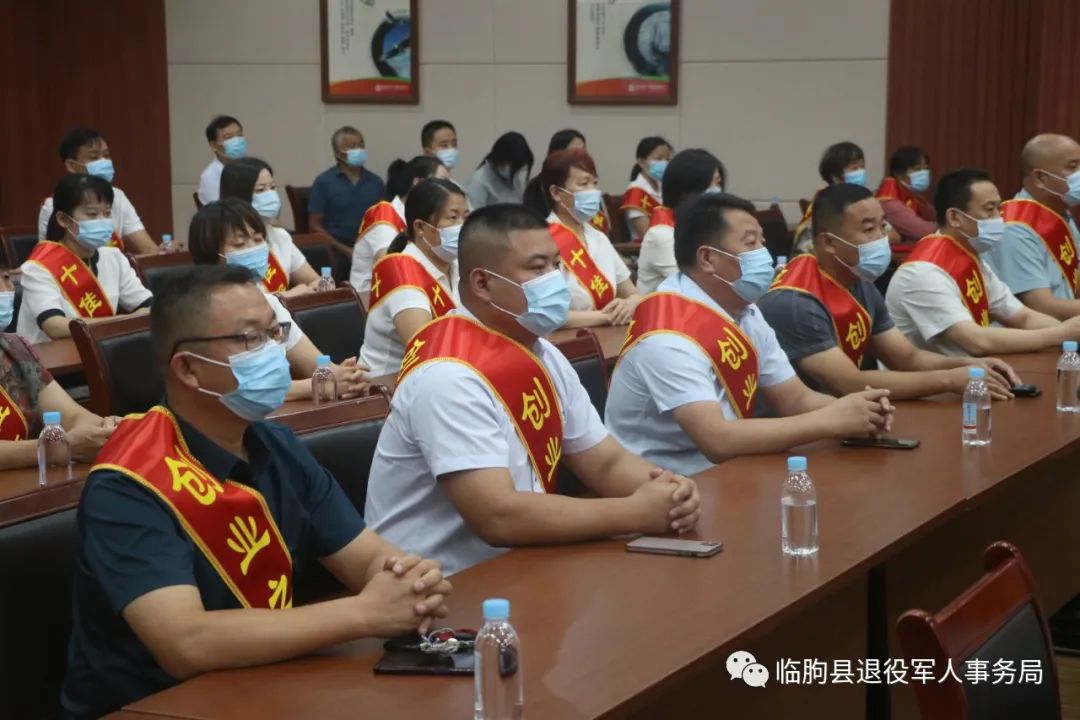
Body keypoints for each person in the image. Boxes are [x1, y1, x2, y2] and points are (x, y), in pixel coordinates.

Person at [60, 265, 452, 719]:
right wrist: (365, 613)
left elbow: (365, 558)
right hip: (154, 707)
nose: (273, 353)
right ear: (187, 368)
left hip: (267, 686)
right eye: (250, 339)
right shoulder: (128, 483)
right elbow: (185, 642)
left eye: (274, 333)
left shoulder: (274, 444)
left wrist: (412, 584)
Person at [364, 204, 701, 575]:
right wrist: (635, 512)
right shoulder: (446, 375)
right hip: (439, 583)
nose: (555, 280)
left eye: (556, 265)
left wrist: (671, 492)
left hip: (523, 561)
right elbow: (498, 516)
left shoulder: (542, 352)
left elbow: (605, 461)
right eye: (537, 268)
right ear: (482, 283)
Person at [604, 192, 894, 476]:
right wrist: (830, 421)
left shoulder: (743, 308)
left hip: (734, 468)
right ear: (707, 258)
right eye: (750, 243)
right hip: (668, 483)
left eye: (762, 242)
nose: (764, 254)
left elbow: (794, 399)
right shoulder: (666, 335)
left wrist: (858, 412)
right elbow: (717, 440)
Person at [758, 183, 1018, 401]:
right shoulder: (795, 301)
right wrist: (950, 380)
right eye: (868, 229)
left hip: (848, 416)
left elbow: (907, 358)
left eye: (883, 225)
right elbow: (849, 384)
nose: (882, 237)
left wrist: (969, 367)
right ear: (828, 242)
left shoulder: (858, 281)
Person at [187, 199, 369, 400]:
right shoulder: (203, 314)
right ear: (210, 254)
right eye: (239, 244)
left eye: (258, 240)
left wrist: (348, 378)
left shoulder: (270, 305)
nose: (253, 248)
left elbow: (320, 367)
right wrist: (318, 385)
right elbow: (241, 390)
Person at [886, 169, 1080, 356]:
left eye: (998, 208)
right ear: (954, 217)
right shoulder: (924, 272)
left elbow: (1023, 317)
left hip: (976, 370)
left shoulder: (970, 257)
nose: (999, 218)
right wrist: (1061, 334)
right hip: (936, 377)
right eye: (989, 210)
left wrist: (1071, 335)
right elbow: (976, 341)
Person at [0, 267, 116, 469]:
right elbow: (61, 446)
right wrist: (55, 449)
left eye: (7, 277)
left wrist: (105, 429)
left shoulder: (14, 349)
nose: (7, 287)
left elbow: (72, 416)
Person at [18, 175, 153, 344]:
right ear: (63, 220)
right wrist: (121, 322)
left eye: (107, 213)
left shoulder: (114, 257)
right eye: (92, 214)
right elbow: (54, 326)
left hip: (99, 352)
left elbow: (149, 306)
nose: (102, 221)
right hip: (47, 358)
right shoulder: (39, 267)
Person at [359, 179, 467, 376]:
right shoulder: (400, 272)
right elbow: (427, 350)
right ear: (420, 227)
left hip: (444, 374)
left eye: (465, 217)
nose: (462, 226)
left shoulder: (458, 264)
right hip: (387, 385)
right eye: (452, 218)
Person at [523, 149, 639, 328]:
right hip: (565, 340)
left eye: (595, 183)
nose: (593, 191)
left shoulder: (598, 238)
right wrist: (606, 317)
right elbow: (546, 313)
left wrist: (630, 304)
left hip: (611, 335)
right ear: (556, 193)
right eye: (584, 184)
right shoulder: (542, 240)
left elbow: (633, 293)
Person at [987, 133, 1080, 320]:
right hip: (1035, 333)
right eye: (1073, 166)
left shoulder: (1060, 213)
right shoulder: (1014, 229)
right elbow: (1041, 307)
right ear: (1040, 178)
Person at [38, 128, 157, 254]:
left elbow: (148, 249)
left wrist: (164, 252)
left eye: (106, 156)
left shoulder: (118, 196)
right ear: (72, 165)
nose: (103, 162)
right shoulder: (54, 204)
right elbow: (50, 256)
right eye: (94, 157)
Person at [350, 155, 450, 304]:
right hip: (369, 304)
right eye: (442, 182)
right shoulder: (384, 214)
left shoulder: (423, 218)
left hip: (408, 294)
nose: (448, 190)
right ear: (418, 183)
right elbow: (391, 268)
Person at [219, 157, 319, 296]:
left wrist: (321, 285)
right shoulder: (227, 243)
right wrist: (288, 296)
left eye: (272, 187)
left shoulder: (279, 236)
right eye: (261, 190)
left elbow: (313, 279)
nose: (270, 195)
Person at [636, 149, 725, 294]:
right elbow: (697, 287)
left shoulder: (704, 227)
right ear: (688, 190)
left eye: (719, 183)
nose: (717, 190)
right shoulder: (662, 235)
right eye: (713, 184)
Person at [308, 126, 385, 251]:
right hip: (335, 250)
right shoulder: (324, 182)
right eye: (352, 147)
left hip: (371, 249)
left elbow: (384, 220)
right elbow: (314, 225)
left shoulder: (376, 182)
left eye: (361, 145)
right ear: (338, 153)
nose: (359, 150)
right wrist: (345, 250)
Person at [793, 141, 867, 253]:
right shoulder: (824, 205)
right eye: (855, 168)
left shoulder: (863, 200)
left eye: (863, 167)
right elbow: (806, 247)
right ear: (835, 177)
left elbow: (891, 234)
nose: (861, 172)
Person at [876, 145, 936, 244]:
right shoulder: (888, 199)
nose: (924, 173)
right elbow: (921, 230)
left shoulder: (911, 193)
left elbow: (934, 215)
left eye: (925, 168)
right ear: (898, 173)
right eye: (917, 169)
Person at [621, 136, 673, 241]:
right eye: (658, 159)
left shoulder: (664, 186)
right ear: (641, 162)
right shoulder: (635, 191)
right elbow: (645, 234)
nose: (664, 163)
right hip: (646, 246)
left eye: (667, 159)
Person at [464, 131, 534, 209]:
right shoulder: (478, 182)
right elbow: (474, 214)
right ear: (500, 159)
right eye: (514, 166)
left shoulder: (513, 179)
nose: (516, 172)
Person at [197, 115, 245, 206]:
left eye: (239, 135)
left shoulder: (248, 167)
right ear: (214, 145)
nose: (237, 141)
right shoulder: (209, 177)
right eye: (229, 137)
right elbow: (220, 212)